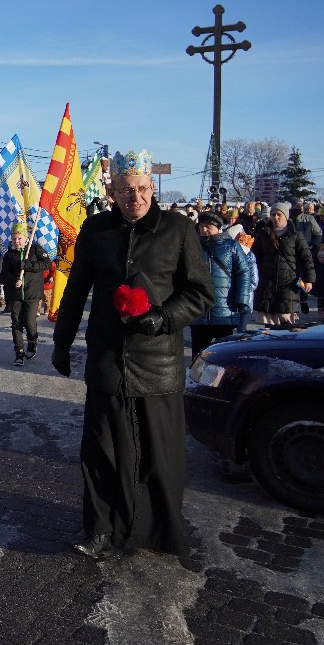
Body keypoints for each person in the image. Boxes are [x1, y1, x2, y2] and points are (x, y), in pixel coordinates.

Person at [51, 149, 214, 560]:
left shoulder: (177, 229)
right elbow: (75, 291)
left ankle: (158, 531)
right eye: (125, 191)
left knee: (158, 454)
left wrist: (162, 318)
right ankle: (101, 529)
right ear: (112, 191)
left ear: (152, 188)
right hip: (107, 359)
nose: (135, 198)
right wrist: (62, 341)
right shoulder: (96, 230)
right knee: (102, 450)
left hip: (158, 362)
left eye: (141, 189)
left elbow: (200, 293)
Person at [190, 212, 252, 357]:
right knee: (198, 357)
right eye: (202, 226)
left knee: (223, 356)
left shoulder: (231, 245)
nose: (204, 230)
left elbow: (244, 272)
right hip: (200, 312)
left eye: (208, 226)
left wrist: (242, 300)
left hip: (225, 311)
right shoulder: (193, 246)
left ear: (218, 227)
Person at [251, 201, 315, 327]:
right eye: (273, 214)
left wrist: (309, 279)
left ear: (286, 216)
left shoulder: (296, 235)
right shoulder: (262, 234)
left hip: (288, 283)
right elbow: (254, 257)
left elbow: (306, 258)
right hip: (267, 282)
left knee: (286, 323)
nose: (276, 217)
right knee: (269, 325)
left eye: (279, 214)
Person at [0, 221, 50, 366]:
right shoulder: (9, 255)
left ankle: (32, 340)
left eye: (19, 238)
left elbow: (47, 264)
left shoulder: (35, 249)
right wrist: (14, 280)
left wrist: (27, 265)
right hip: (16, 295)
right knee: (16, 323)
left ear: (26, 238)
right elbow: (4, 274)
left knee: (29, 322)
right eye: (14, 239)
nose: (16, 241)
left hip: (32, 293)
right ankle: (19, 352)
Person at [226, 224, 259, 332]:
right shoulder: (230, 256)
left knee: (241, 329)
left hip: (246, 301)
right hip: (232, 299)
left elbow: (254, 281)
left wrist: (242, 288)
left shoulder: (249, 257)